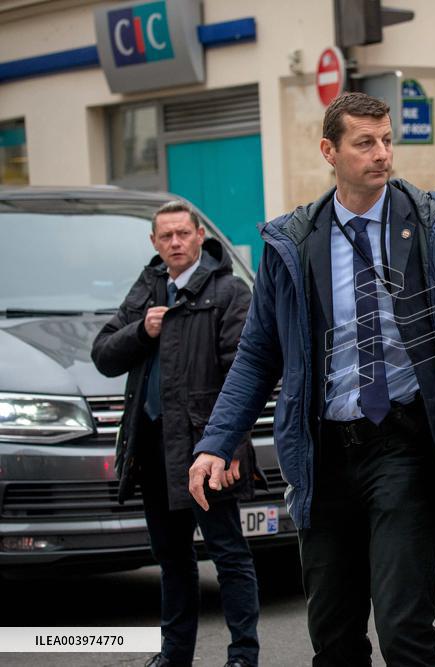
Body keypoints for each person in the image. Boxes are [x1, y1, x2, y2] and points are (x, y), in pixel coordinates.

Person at [185, 92, 435, 666]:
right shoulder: (293, 242)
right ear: (330, 151)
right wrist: (217, 439)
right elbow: (259, 354)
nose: (381, 154)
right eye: (365, 143)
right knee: (333, 638)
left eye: (387, 140)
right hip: (324, 453)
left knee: (406, 629)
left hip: (405, 446)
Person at [91, 200, 260, 667]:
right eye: (165, 236)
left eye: (183, 234)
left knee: (229, 557)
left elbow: (243, 376)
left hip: (205, 450)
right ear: (154, 243)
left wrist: (232, 447)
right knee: (172, 560)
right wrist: (141, 332)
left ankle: (243, 657)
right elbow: (103, 354)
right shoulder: (149, 288)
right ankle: (175, 656)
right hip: (153, 451)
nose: (175, 243)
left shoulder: (228, 293)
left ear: (200, 234)